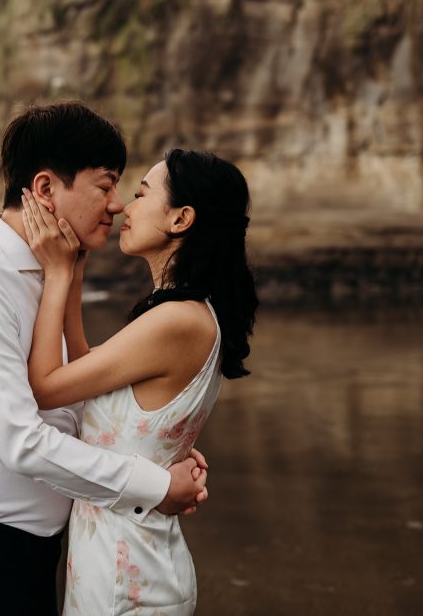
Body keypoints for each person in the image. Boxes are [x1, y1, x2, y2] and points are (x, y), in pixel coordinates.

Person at [0, 103, 210, 616]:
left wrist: (157, 446)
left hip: (35, 553)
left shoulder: (51, 273)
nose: (115, 205)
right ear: (45, 190)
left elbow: (70, 407)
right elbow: (22, 442)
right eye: (105, 186)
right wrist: (154, 486)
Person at [20, 148, 257, 615]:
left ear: (181, 218)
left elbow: (46, 386)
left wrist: (57, 272)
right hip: (119, 564)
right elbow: (85, 373)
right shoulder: (181, 314)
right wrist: (76, 270)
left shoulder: (177, 322)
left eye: (141, 194)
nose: (125, 207)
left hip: (130, 585)